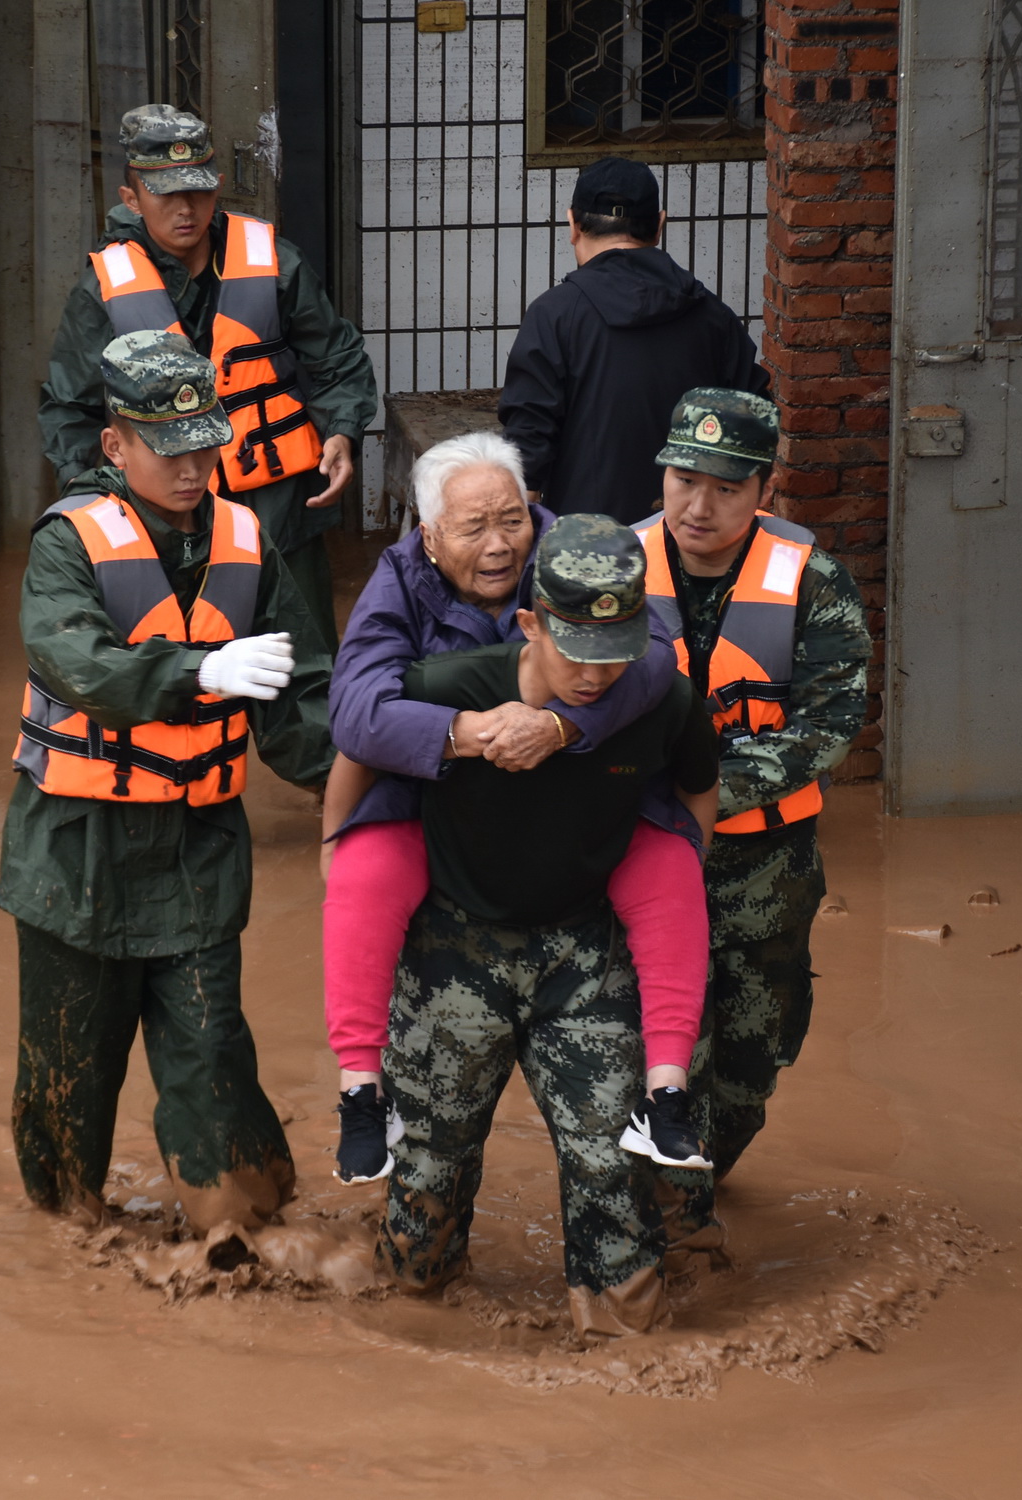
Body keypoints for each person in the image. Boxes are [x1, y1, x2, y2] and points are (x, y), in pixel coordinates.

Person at [0, 329, 335, 1231]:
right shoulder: (71, 543)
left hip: (196, 853)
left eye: (205, 444)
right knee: (69, 1073)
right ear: (115, 446)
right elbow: (73, 659)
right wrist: (197, 673)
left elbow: (302, 703)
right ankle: (66, 1235)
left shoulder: (246, 538)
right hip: (77, 854)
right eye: (167, 446)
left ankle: (243, 1228)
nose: (193, 467)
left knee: (213, 1053)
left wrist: (387, 774)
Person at [316, 432, 712, 1187]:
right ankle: (360, 1094)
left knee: (666, 870)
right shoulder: (399, 585)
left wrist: (563, 725)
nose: (500, 546)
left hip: (584, 805)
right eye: (474, 528)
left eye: (513, 519)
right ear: (428, 535)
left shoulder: (578, 556)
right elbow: (357, 719)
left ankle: (668, 1098)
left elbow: (656, 659)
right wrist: (464, 733)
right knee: (366, 873)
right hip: (443, 802)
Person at [376, 515, 720, 1339]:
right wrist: (339, 855)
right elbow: (358, 744)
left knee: (611, 1156)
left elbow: (698, 789)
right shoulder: (449, 686)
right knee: (430, 1157)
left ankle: (625, 1339)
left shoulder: (659, 697)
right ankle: (413, 1317)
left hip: (584, 947)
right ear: (529, 623)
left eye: (615, 650)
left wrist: (675, 878)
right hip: (456, 946)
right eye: (576, 650)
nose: (597, 674)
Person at [629, 389, 872, 1257]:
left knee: (750, 1059)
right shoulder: (610, 572)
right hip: (644, 856)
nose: (698, 505)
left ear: (763, 490)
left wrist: (709, 788)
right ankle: (672, 1231)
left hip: (766, 865)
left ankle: (699, 1173)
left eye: (725, 488)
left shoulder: (815, 583)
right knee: (664, 1050)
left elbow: (833, 719)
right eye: (684, 478)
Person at [39, 104, 378, 643]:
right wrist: (92, 501)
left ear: (217, 185)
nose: (186, 209)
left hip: (277, 507)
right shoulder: (102, 292)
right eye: (165, 194)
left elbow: (337, 358)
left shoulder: (276, 265)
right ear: (132, 198)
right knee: (180, 669)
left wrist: (342, 430)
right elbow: (69, 408)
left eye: (197, 190)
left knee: (302, 674)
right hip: (161, 521)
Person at [497, 156, 768, 525]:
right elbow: (754, 427)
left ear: (572, 224)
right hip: (691, 542)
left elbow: (527, 452)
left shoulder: (554, 315)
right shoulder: (711, 316)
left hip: (586, 551)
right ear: (659, 225)